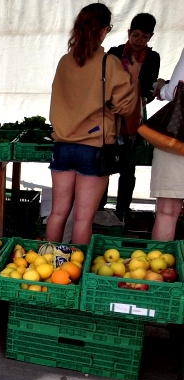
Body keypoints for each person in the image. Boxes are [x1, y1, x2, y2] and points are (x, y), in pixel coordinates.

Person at [46, 3, 140, 244]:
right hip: (93, 148)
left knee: (57, 213)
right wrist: (134, 76)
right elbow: (126, 107)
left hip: (62, 146)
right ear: (103, 30)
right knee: (82, 219)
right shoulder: (108, 63)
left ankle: (48, 266)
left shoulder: (64, 62)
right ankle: (75, 274)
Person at [98, 13, 160, 221]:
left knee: (127, 165)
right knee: (105, 159)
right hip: (110, 115)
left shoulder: (152, 58)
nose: (138, 41)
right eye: (135, 35)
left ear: (150, 37)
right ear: (128, 33)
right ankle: (99, 208)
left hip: (134, 116)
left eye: (144, 37)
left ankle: (122, 210)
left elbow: (150, 92)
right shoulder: (114, 53)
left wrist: (136, 97)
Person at [150, 47, 184, 241]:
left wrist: (162, 87)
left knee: (168, 211)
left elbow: (175, 91)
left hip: (179, 137)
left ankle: (157, 269)